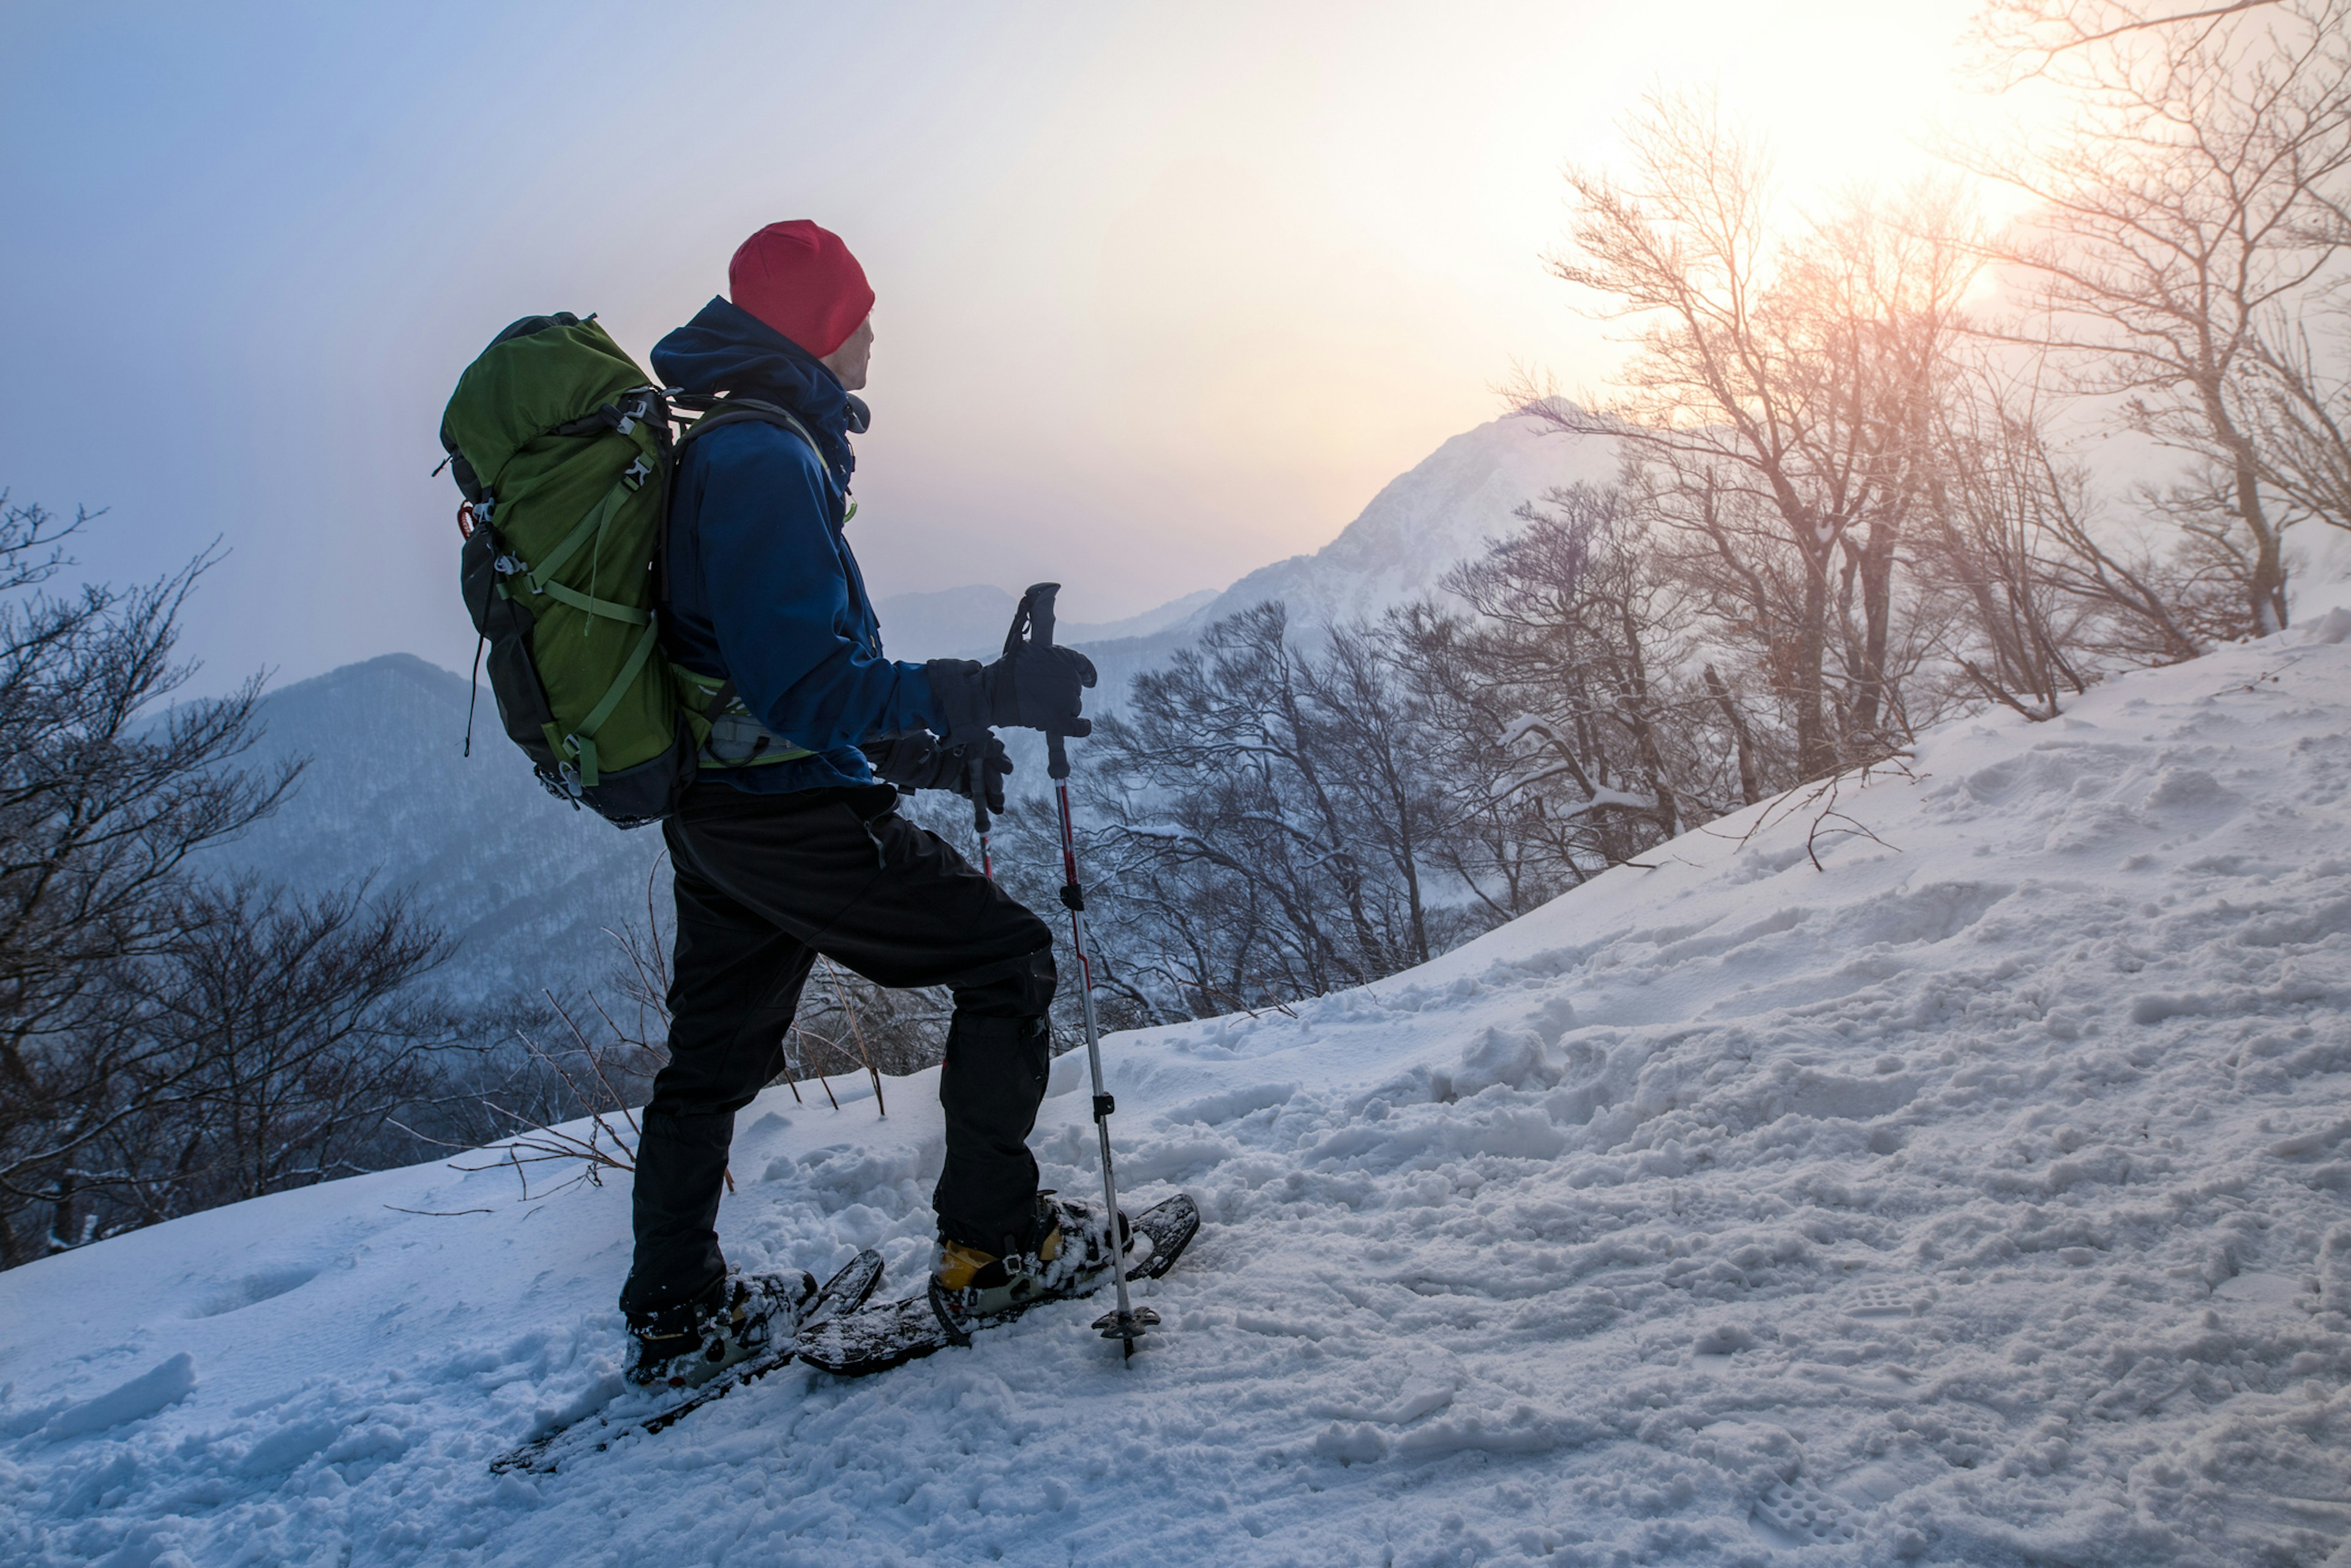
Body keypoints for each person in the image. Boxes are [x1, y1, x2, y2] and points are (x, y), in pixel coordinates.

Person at [618, 219, 1100, 1387]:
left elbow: (758, 681)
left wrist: (934, 759)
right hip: (787, 819)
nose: (875, 332)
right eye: (858, 315)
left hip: (725, 813)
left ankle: (678, 1311)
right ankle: (996, 1245)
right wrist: (981, 692)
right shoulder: (765, 462)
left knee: (709, 1063)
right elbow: (801, 684)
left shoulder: (736, 445)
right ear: (820, 332)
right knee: (1009, 962)